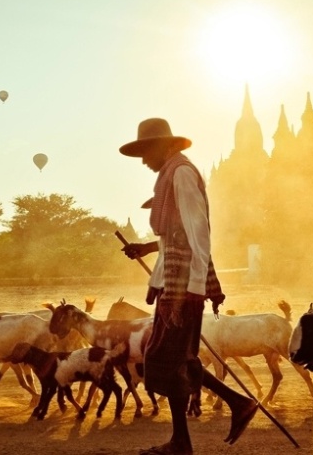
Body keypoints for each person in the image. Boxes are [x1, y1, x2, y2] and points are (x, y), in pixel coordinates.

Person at [119, 117, 258, 455]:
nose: (143, 160)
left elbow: (198, 233)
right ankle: (216, 417)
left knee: (162, 361)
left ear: (164, 146)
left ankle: (215, 418)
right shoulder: (171, 175)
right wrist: (147, 248)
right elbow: (174, 238)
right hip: (175, 283)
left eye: (146, 151)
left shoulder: (180, 173)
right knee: (175, 359)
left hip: (183, 288)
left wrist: (192, 288)